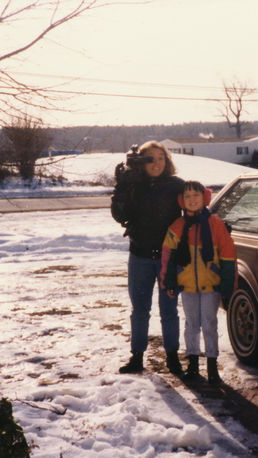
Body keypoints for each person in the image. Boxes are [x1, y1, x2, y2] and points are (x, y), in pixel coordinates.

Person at [111, 141, 185, 375]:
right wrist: (121, 189)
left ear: (168, 161)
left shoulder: (177, 186)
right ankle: (137, 356)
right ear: (142, 162)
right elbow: (119, 215)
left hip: (168, 258)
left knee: (169, 309)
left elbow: (195, 208)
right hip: (140, 255)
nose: (157, 163)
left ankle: (172, 356)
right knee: (140, 309)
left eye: (161, 158)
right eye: (151, 158)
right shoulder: (134, 186)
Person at [160, 181, 236, 385]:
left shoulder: (216, 224)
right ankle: (192, 364)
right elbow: (167, 257)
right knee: (191, 325)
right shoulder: (177, 226)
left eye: (196, 195)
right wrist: (168, 283)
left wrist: (228, 283)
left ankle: (212, 367)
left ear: (205, 198)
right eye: (187, 196)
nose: (192, 200)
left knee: (209, 324)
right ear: (182, 201)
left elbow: (228, 255)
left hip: (210, 285)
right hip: (188, 287)